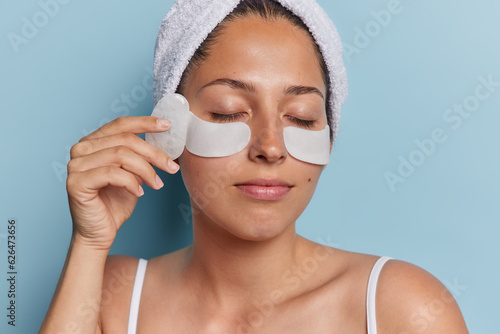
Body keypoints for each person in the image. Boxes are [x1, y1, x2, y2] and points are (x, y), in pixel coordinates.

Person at [41, 0, 469, 333]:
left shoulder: (400, 309)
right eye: (229, 112)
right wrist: (89, 244)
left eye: (300, 117)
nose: (270, 147)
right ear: (168, 131)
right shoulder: (110, 297)